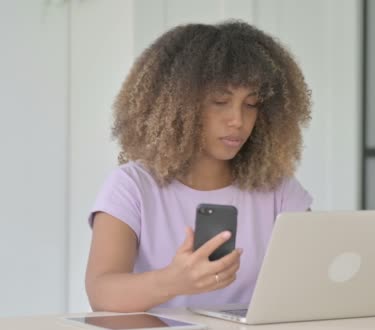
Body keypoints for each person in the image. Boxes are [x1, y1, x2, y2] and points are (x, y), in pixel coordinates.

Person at [85, 21, 312, 313]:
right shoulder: (132, 186)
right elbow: (101, 293)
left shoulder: (280, 191)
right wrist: (174, 281)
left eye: (251, 104)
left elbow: (312, 283)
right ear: (175, 106)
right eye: (220, 101)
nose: (237, 120)